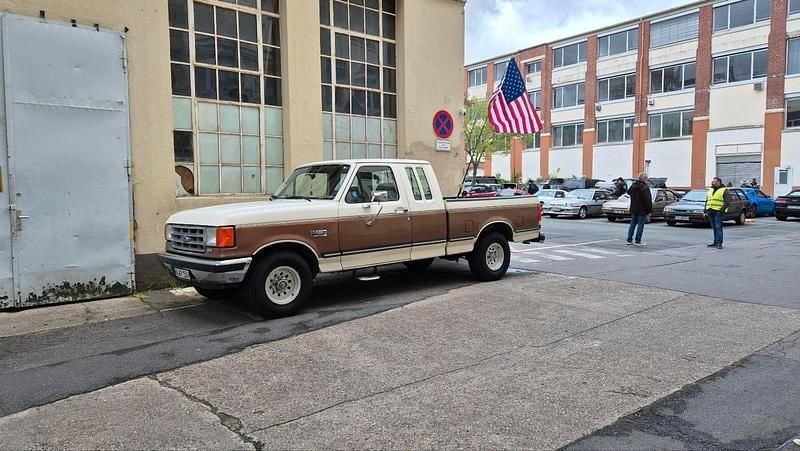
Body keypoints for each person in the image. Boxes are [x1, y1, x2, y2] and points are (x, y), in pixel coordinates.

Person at [627, 172, 653, 246]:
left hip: (634, 208)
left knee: (633, 223)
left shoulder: (633, 185)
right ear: (645, 179)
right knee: (640, 224)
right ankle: (638, 241)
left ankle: (629, 240)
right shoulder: (645, 187)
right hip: (642, 209)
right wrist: (650, 211)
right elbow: (648, 200)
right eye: (647, 178)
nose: (647, 180)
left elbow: (628, 192)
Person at [706, 177, 727, 249]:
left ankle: (719, 243)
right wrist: (705, 210)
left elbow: (727, 202)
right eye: (712, 182)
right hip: (710, 211)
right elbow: (707, 200)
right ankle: (715, 242)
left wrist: (721, 210)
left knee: (718, 227)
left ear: (719, 182)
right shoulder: (710, 190)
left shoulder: (724, 190)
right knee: (714, 227)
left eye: (714, 182)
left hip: (718, 212)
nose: (712, 183)